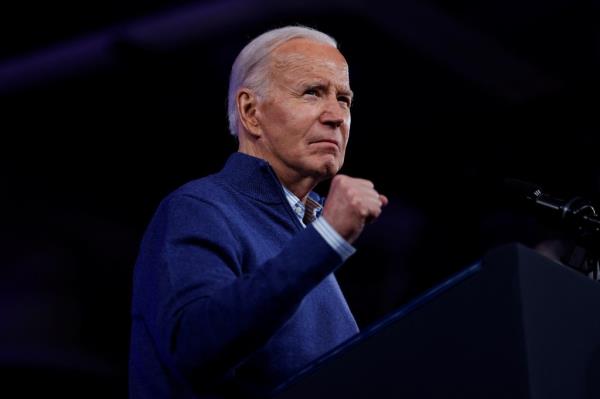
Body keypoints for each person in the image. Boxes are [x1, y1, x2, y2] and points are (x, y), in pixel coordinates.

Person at [128, 25, 388, 398]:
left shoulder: (304, 234)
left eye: (344, 99)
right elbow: (193, 346)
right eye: (312, 92)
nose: (336, 115)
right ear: (251, 111)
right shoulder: (199, 208)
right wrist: (328, 238)